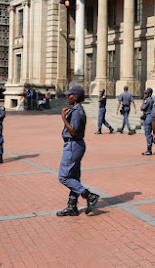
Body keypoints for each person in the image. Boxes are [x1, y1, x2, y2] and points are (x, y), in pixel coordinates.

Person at [57, 85, 100, 217]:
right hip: (75, 145)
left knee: (63, 177)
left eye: (69, 95)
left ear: (75, 97)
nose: (67, 97)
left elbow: (74, 132)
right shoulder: (75, 110)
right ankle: (72, 206)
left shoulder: (77, 111)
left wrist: (64, 118)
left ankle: (89, 195)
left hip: (73, 145)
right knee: (74, 176)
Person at [141, 88, 155, 155]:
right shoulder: (154, 100)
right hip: (153, 117)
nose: (144, 94)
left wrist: (143, 101)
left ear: (149, 94)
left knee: (148, 134)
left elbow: (142, 108)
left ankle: (149, 149)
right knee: (152, 134)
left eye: (146, 93)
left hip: (148, 117)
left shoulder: (147, 100)